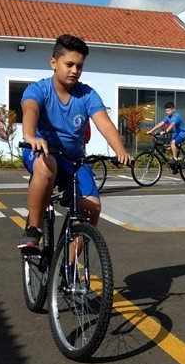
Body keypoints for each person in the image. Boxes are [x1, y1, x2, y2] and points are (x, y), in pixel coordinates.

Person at [18, 34, 132, 250]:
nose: (74, 71)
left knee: (92, 208)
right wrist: (30, 136)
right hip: (42, 152)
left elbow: (105, 124)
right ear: (54, 63)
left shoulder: (87, 94)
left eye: (79, 66)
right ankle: (33, 229)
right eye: (69, 64)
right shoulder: (38, 89)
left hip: (74, 159)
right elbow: (30, 110)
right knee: (46, 165)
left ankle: (67, 266)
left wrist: (120, 150)